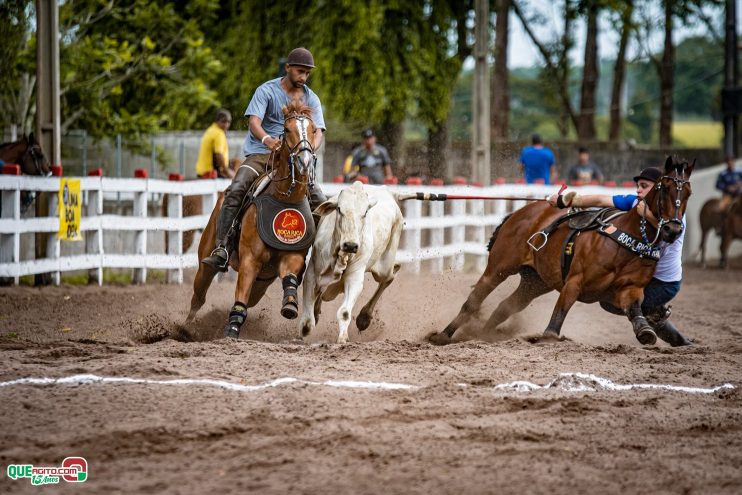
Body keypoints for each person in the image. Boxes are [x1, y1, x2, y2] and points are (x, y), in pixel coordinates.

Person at [202, 47, 327, 272]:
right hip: (261, 154)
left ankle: (318, 253)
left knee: (320, 200)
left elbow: (318, 132)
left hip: (294, 160)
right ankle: (222, 247)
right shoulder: (266, 91)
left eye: (307, 73)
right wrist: (268, 139)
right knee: (237, 188)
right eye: (300, 71)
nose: (304, 77)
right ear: (287, 68)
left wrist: (307, 149)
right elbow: (254, 122)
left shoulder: (312, 98)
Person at [547, 166, 692, 347]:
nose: (638, 189)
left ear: (658, 189)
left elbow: (669, 233)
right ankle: (677, 339)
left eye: (644, 186)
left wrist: (646, 214)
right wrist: (565, 200)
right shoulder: (636, 203)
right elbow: (601, 199)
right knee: (611, 302)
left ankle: (672, 335)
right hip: (642, 275)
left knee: (627, 301)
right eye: (638, 185)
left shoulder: (674, 216)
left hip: (663, 282)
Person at [195, 108, 233, 179]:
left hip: (201, 172)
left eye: (228, 122)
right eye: (223, 122)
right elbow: (218, 155)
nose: (226, 125)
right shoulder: (219, 133)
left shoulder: (210, 130)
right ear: (217, 121)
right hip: (211, 174)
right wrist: (227, 172)